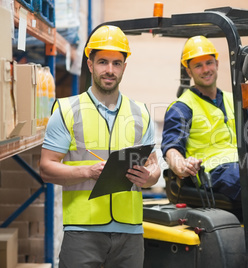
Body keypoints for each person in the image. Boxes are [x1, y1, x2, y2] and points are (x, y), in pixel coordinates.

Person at [39, 25, 161, 267]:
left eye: (117, 63)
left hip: (131, 233)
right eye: (103, 61)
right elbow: (46, 168)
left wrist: (147, 177)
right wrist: (87, 171)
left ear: (124, 67)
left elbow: (154, 168)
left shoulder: (141, 113)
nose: (110, 70)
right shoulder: (66, 111)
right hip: (83, 231)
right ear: (90, 64)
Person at [161, 35, 248, 239]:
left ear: (217, 63)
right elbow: (172, 148)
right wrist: (181, 166)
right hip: (215, 170)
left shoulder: (231, 98)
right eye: (198, 65)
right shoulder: (183, 107)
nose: (206, 69)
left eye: (209, 62)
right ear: (189, 71)